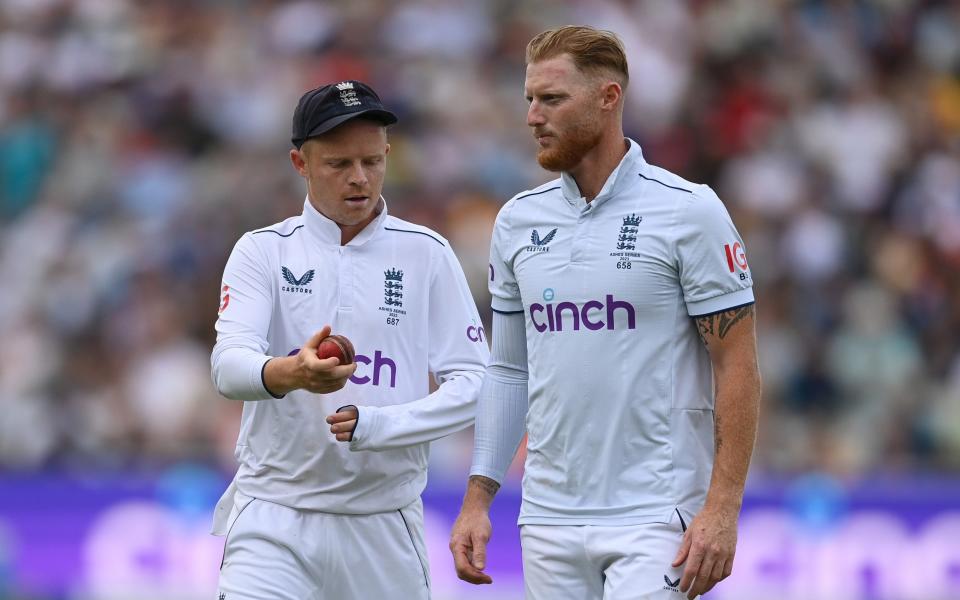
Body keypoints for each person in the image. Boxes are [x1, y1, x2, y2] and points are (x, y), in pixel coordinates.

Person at [449, 26, 761, 600]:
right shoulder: (518, 221)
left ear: (608, 98)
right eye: (529, 100)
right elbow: (508, 371)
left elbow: (736, 365)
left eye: (552, 99)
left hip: (657, 513)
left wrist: (721, 509)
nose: (533, 117)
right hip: (547, 517)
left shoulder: (689, 212)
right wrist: (478, 499)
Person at [210, 80, 489, 599]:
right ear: (301, 163)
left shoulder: (425, 253)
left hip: (383, 525)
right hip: (275, 517)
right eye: (339, 164)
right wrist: (291, 372)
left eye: (372, 161)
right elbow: (228, 367)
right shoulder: (263, 252)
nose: (360, 179)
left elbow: (475, 382)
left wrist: (385, 424)